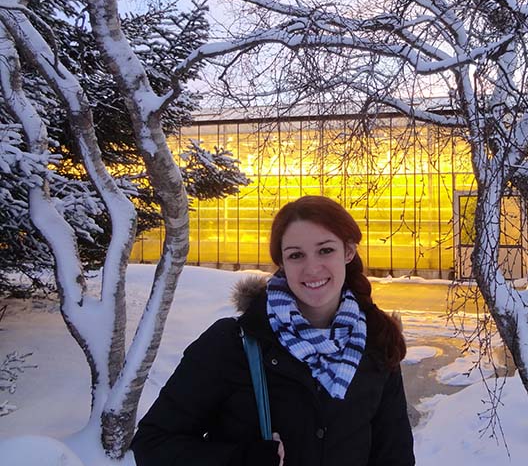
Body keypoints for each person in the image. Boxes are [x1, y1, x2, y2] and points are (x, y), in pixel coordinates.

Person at [131, 195, 415, 466]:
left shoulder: (377, 342)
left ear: (348, 252)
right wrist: (240, 460)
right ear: (282, 262)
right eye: (296, 255)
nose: (312, 268)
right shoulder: (232, 344)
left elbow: (394, 457)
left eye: (325, 250)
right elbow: (153, 444)